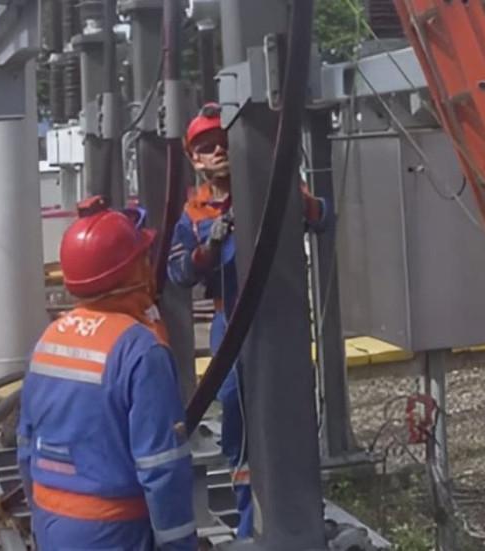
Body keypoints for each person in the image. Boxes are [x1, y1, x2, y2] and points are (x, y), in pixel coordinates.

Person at [167, 103, 327, 538]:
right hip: (231, 324)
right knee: (238, 417)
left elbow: (321, 217)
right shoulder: (194, 213)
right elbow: (179, 273)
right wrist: (209, 248)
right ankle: (248, 522)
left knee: (289, 411)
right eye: (205, 147)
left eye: (223, 142)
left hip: (280, 318)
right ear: (194, 159)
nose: (217, 151)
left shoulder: (269, 186)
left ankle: (299, 513)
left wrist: (292, 193)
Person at [17, 197, 197, 551]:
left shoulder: (49, 339)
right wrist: (179, 545)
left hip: (52, 524)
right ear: (134, 270)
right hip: (112, 531)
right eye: (144, 258)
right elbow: (161, 466)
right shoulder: (141, 351)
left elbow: (25, 445)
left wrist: (41, 517)